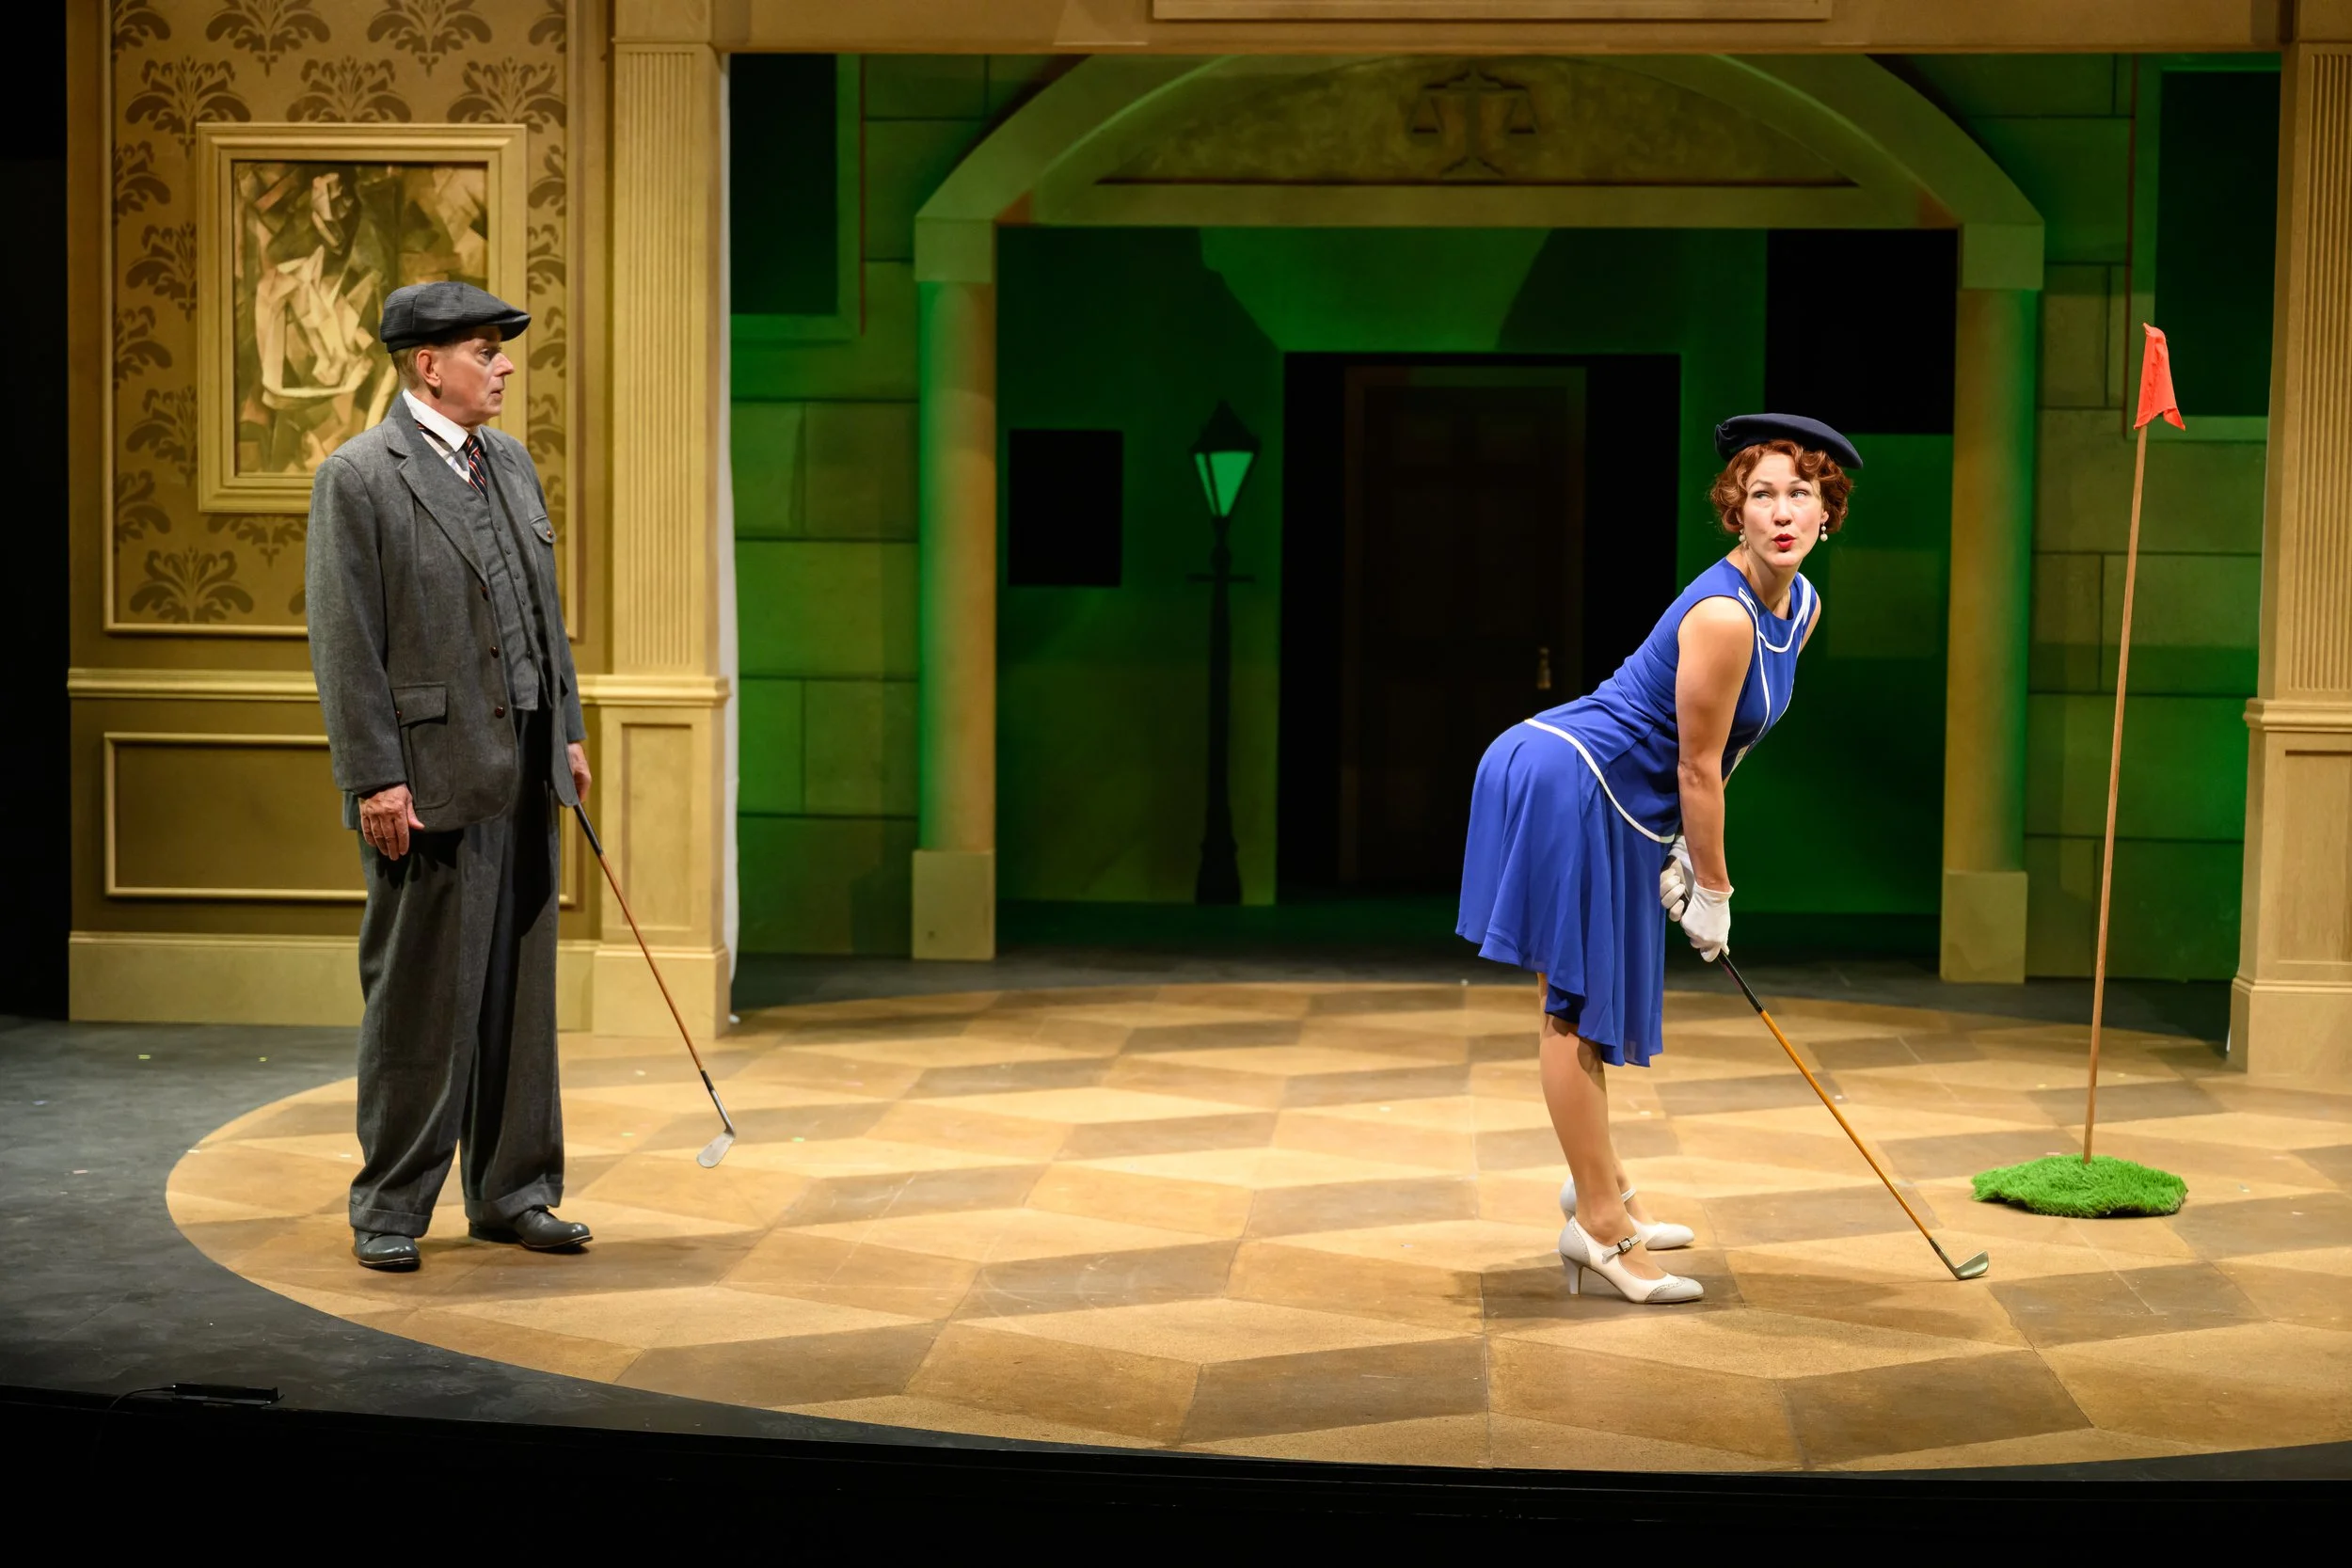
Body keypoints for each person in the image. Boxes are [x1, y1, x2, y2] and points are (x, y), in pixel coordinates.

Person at [1457, 413, 1857, 1305]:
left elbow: (1729, 748)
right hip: (1571, 778)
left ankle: (1604, 1188)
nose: (1782, 512)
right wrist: (1713, 885)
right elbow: (1695, 765)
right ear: (1735, 513)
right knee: (1575, 1006)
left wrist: (1683, 848)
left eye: (1800, 493)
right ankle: (1600, 1226)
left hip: (1623, 802)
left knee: (1587, 1005)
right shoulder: (1724, 615)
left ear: (1827, 512)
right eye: (1762, 495)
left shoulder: (1799, 608)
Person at [305, 280, 594, 1272]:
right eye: (484, 350)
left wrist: (566, 729)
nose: (504, 365)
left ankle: (516, 1191)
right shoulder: (359, 477)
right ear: (428, 365)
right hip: (426, 780)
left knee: (520, 996)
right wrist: (375, 778)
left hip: (524, 768)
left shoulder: (507, 462)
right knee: (421, 1000)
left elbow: (543, 612)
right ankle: (390, 1203)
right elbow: (346, 644)